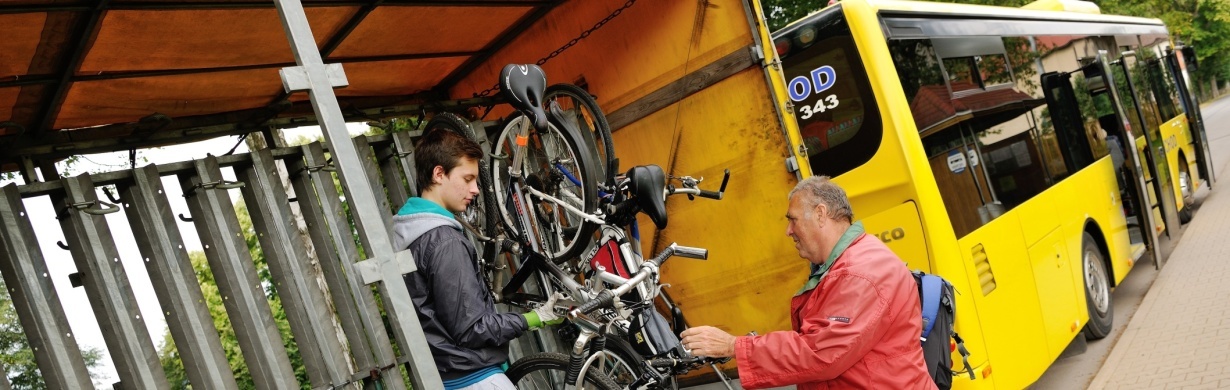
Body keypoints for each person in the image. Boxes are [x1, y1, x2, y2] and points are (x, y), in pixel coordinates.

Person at [680, 176, 935, 389]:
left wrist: (734, 345)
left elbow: (820, 352)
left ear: (821, 214)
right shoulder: (848, 263)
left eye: (793, 219)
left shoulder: (859, 273)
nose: (788, 231)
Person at [392, 128, 562, 389]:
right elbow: (472, 328)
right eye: (468, 178)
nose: (475, 189)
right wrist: (537, 317)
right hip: (474, 381)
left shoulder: (412, 231)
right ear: (439, 174)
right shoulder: (443, 240)